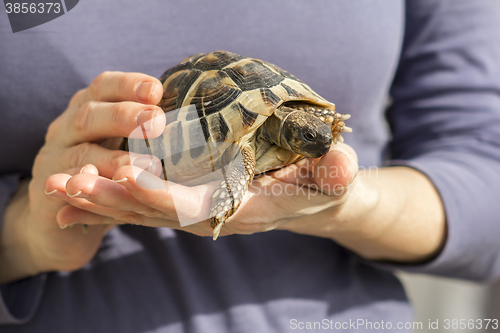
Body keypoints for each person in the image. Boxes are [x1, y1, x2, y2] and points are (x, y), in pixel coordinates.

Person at [1, 0, 500, 332]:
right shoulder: (251, 138)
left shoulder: (310, 126)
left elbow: (484, 171)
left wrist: (347, 205)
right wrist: (19, 236)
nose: (315, 144)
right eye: (307, 137)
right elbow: (244, 145)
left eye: (317, 136)